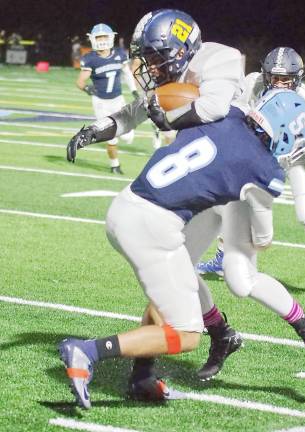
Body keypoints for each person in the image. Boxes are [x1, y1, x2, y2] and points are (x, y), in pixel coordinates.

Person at [59, 88, 305, 409]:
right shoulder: (265, 171)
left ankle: (143, 378)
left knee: (169, 291)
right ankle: (88, 351)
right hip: (154, 227)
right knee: (186, 334)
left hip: (127, 205)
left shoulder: (227, 113)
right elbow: (263, 238)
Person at [66, 8, 246, 393]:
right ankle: (147, 373)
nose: (148, 65)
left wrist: (169, 120)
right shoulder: (172, 75)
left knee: (176, 283)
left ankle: (217, 333)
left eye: (154, 56)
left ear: (181, 49)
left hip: (222, 190)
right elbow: (135, 111)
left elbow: (213, 108)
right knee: (169, 282)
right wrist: (97, 130)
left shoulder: (220, 59)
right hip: (193, 185)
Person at [198, 47, 305, 305]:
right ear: (265, 74)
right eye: (274, 78)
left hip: (298, 155)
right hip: (265, 153)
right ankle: (222, 255)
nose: (279, 84)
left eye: (285, 79)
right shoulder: (254, 83)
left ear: (297, 78)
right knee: (235, 196)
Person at [76, 24, 139, 174]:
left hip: (118, 100)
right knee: (111, 137)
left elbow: (127, 74)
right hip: (100, 103)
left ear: (111, 37)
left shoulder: (119, 55)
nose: (102, 40)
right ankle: (114, 165)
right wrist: (86, 88)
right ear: (93, 39)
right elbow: (79, 82)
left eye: (104, 36)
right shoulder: (90, 59)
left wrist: (134, 91)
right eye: (99, 37)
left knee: (128, 136)